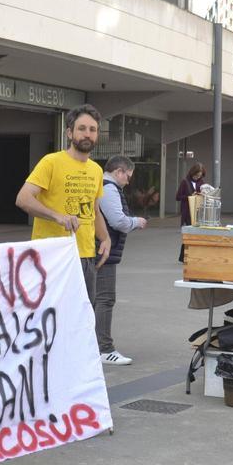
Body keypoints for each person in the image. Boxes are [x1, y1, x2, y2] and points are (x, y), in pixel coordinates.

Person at [15, 104, 110, 305]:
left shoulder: (96, 170)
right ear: (69, 133)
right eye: (82, 128)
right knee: (49, 317)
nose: (87, 134)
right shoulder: (51, 162)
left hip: (85, 257)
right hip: (51, 256)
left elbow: (94, 210)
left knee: (82, 320)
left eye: (92, 130)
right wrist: (58, 216)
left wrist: (105, 239)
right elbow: (23, 198)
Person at [96, 155, 148, 366]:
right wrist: (136, 221)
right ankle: (104, 348)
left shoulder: (105, 186)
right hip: (103, 252)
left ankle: (96, 345)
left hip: (100, 250)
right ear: (119, 172)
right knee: (105, 299)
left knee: (97, 299)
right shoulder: (109, 189)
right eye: (128, 175)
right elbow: (118, 221)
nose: (128, 180)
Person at [176, 162, 205, 262]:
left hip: (197, 212)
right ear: (192, 173)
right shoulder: (185, 182)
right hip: (187, 212)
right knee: (188, 235)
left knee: (195, 235)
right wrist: (190, 197)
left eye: (199, 176)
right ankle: (184, 257)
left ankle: (186, 257)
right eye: (196, 175)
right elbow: (178, 197)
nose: (197, 177)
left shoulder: (201, 182)